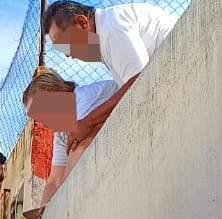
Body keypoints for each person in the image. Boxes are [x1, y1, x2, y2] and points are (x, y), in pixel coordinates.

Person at [22, 65, 141, 203]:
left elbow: (78, 152)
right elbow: (54, 180)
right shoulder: (61, 131)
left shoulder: (83, 99)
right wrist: (42, 213)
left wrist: (61, 203)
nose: (42, 121)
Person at [42, 0, 175, 87]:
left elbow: (138, 83)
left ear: (82, 23)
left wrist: (89, 120)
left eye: (66, 43)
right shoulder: (105, 36)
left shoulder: (111, 28)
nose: (67, 55)